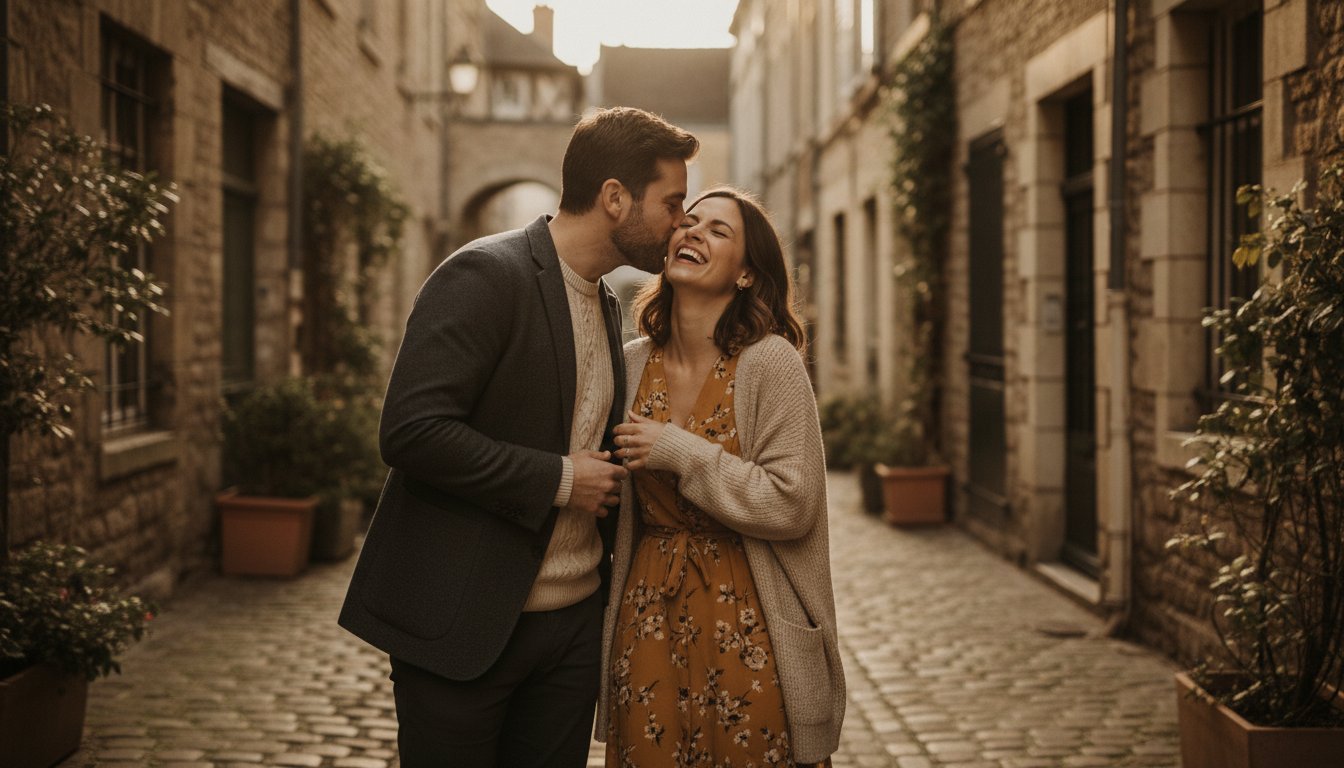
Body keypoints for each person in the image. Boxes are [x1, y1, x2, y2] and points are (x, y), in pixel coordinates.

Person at [338, 107, 699, 768]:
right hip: (463, 624)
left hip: (570, 634)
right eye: (672, 202)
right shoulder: (483, 275)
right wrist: (563, 480)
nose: (682, 221)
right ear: (615, 198)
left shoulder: (606, 300)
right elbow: (411, 431)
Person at [596, 187, 845, 767]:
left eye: (717, 231)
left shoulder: (771, 362)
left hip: (753, 622)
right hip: (646, 614)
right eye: (688, 222)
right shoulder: (630, 363)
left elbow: (793, 503)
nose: (692, 233)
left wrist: (681, 452)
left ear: (747, 275)